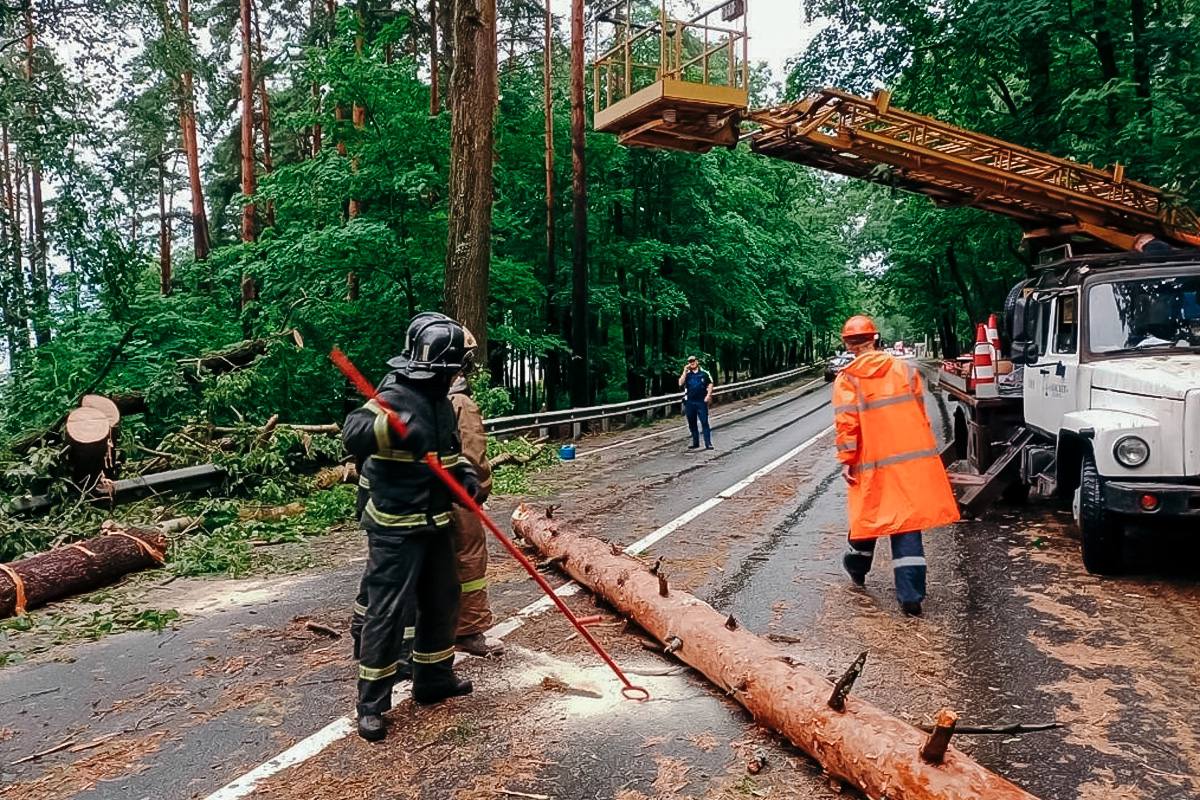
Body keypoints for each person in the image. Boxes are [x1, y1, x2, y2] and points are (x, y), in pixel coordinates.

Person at [342, 313, 481, 742]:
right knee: (388, 610)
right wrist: (393, 430)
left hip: (434, 520)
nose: (458, 374)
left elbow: (450, 456)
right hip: (395, 525)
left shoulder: (441, 402)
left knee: (443, 598)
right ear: (438, 366)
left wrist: (466, 480)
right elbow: (354, 432)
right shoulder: (394, 394)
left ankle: (432, 678)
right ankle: (372, 703)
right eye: (454, 366)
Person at [833, 315, 959, 616]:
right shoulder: (904, 370)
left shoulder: (848, 379)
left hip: (872, 461)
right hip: (910, 458)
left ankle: (857, 567)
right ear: (874, 338)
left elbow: (846, 425)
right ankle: (911, 595)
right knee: (905, 521)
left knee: (869, 513)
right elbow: (918, 410)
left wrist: (847, 461)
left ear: (848, 344)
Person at [447, 342, 504, 657]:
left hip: (430, 495)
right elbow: (472, 454)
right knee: (469, 558)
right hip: (459, 495)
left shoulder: (425, 399)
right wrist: (479, 489)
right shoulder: (461, 403)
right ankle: (469, 629)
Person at [678, 355, 714, 450]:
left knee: (704, 422)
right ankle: (695, 442)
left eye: (693, 361)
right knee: (692, 423)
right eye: (690, 361)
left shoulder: (704, 373)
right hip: (690, 402)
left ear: (697, 361)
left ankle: (708, 443)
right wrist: (684, 371)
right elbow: (680, 383)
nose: (692, 363)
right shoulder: (687, 375)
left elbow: (710, 384)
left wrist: (708, 395)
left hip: (701, 401)